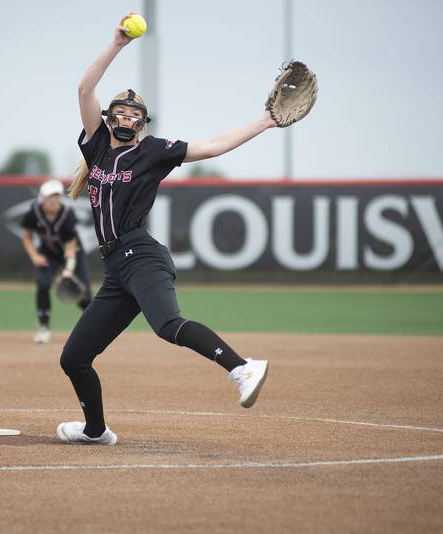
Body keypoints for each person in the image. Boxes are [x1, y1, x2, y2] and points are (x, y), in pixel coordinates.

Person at [55, 13, 278, 445]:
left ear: (143, 122)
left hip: (142, 255)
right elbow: (84, 88)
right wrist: (116, 44)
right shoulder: (98, 144)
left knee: (167, 325)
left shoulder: (154, 152)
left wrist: (264, 122)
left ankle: (242, 367)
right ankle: (96, 431)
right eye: (118, 111)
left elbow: (213, 146)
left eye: (133, 113)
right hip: (117, 270)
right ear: (108, 117)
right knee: (74, 357)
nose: (125, 117)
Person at [21, 179, 92, 343]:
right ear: (42, 198)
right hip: (49, 254)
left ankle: (92, 330)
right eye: (49, 196)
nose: (53, 199)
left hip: (74, 254)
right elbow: (27, 237)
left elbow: (70, 246)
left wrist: (68, 270)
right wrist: (34, 256)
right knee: (43, 284)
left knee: (84, 294)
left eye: (56, 196)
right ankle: (43, 328)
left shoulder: (67, 215)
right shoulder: (34, 213)